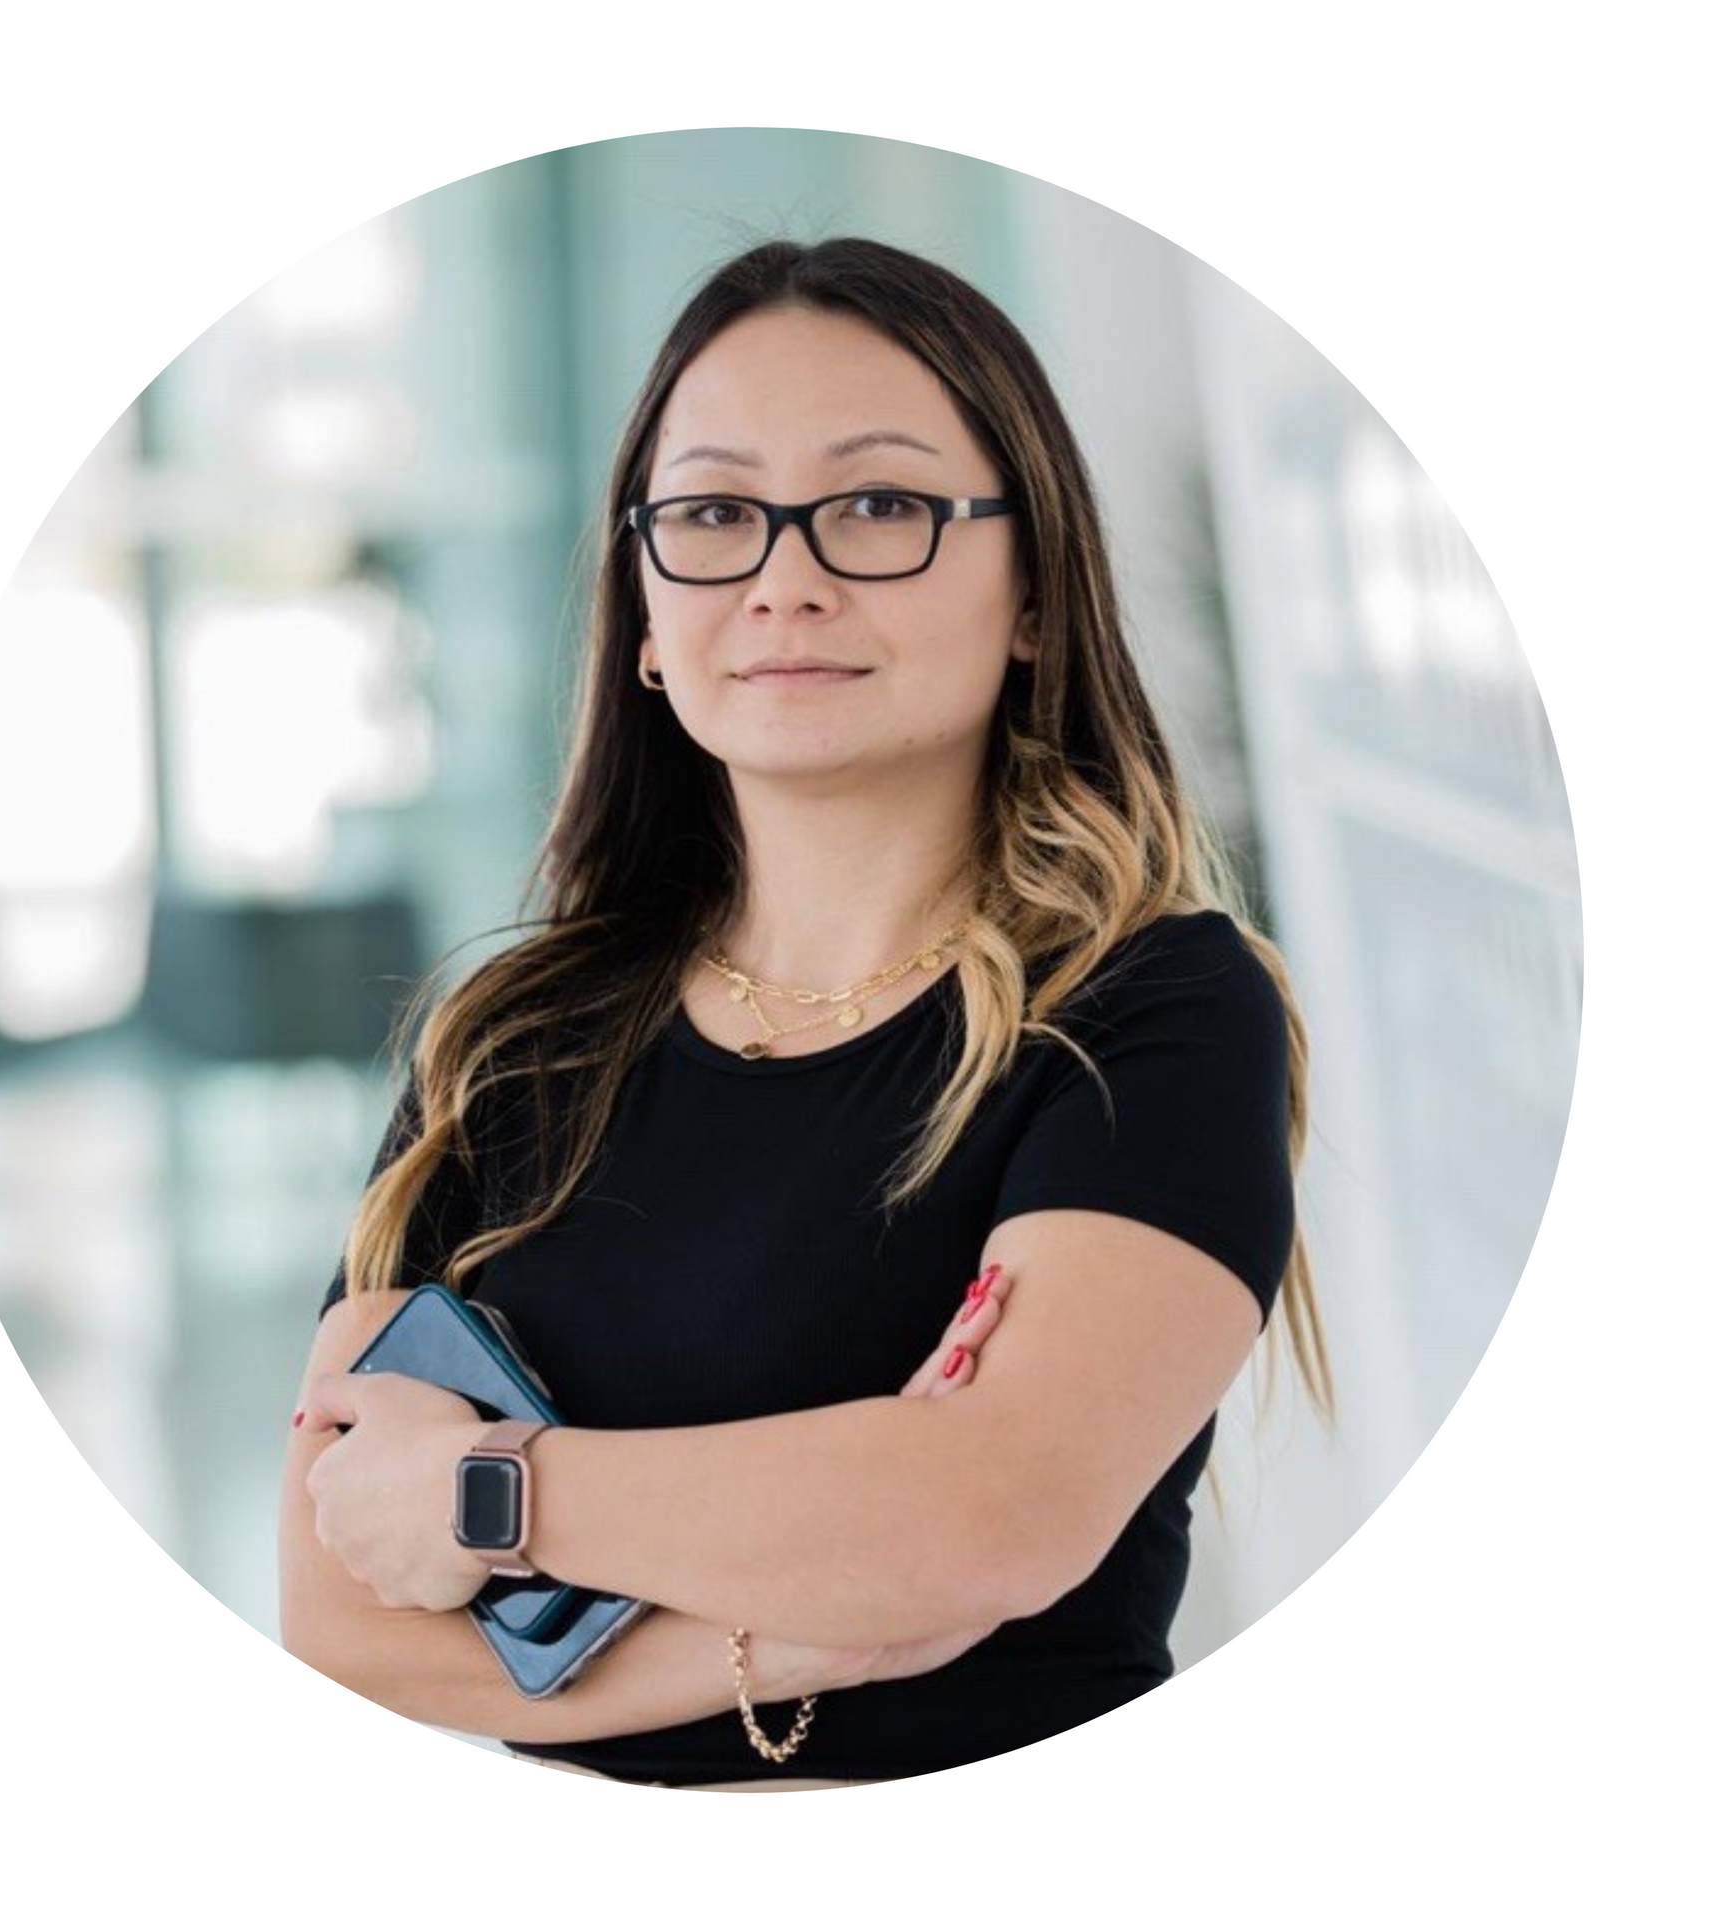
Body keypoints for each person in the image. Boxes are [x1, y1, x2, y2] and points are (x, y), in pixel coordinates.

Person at [279, 236, 1331, 1789]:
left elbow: (985, 1515)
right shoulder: (510, 1041)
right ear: (644, 614)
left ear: (1035, 589)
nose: (785, 573)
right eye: (710, 513)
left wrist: (490, 1496)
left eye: (881, 506)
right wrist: (817, 1624)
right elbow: (343, 1623)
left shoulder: (1150, 1007)